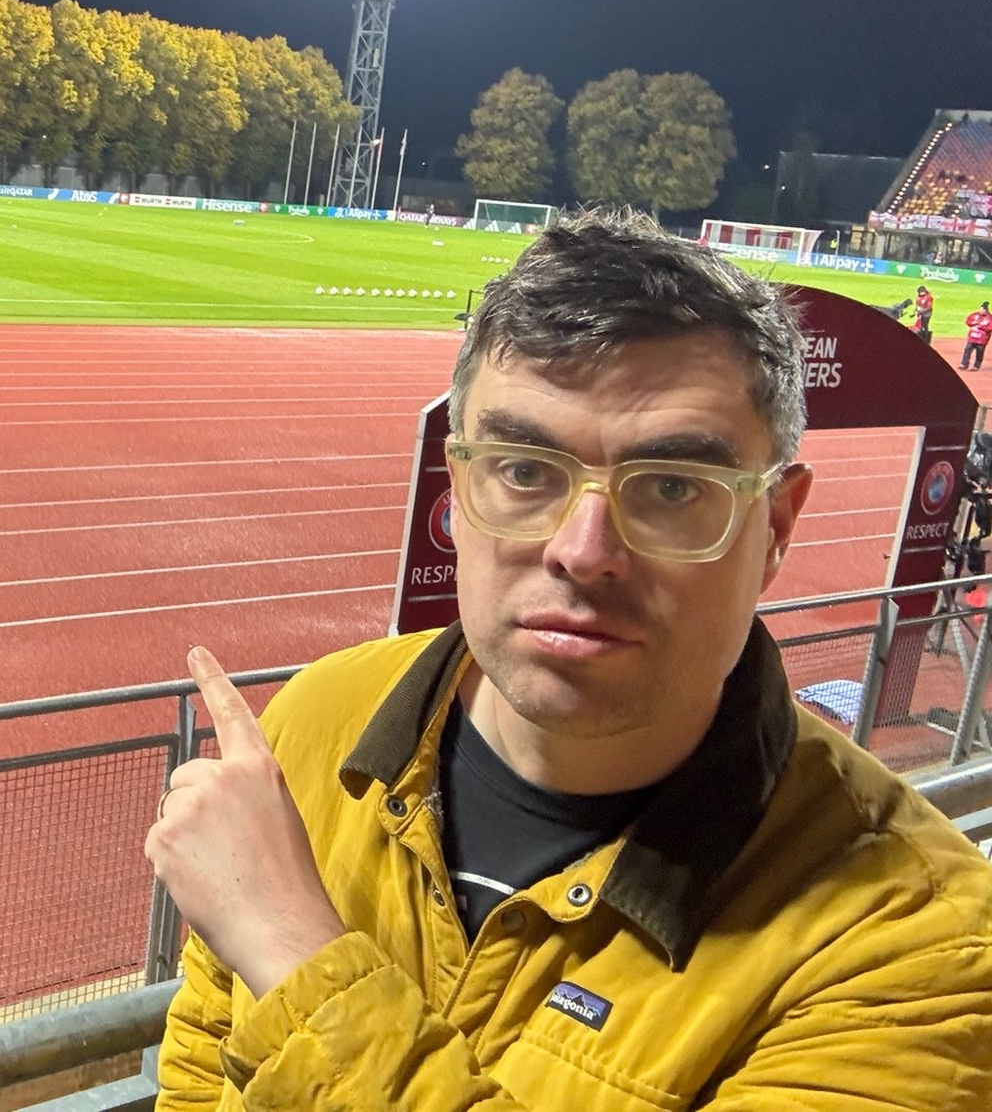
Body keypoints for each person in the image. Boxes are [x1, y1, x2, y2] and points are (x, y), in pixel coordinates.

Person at [147, 209, 992, 1110]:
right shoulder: (318, 720)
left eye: (672, 487)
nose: (583, 551)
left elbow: (270, 983)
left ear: (776, 526)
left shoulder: (922, 947)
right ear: (459, 485)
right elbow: (201, 1070)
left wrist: (292, 950)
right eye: (524, 470)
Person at [963, 300, 991, 370]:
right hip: (972, 338)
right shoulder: (975, 315)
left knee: (979, 353)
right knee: (967, 350)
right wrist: (974, 323)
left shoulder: (990, 318)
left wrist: (981, 327)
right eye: (981, 309)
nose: (981, 311)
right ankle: (964, 364)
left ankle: (976, 366)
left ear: (986, 310)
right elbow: (968, 321)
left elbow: (990, 327)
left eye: (983, 310)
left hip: (982, 340)